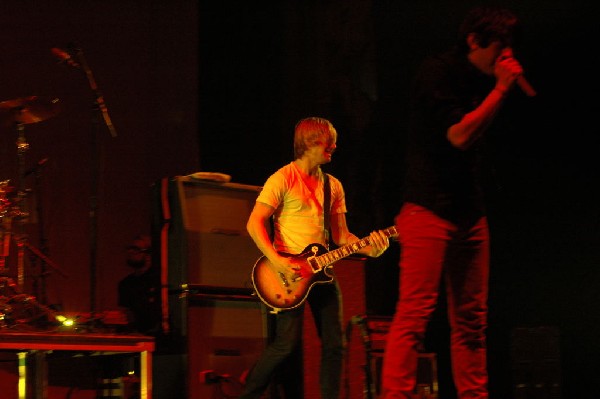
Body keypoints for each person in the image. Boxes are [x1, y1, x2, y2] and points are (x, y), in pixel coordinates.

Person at [381, 6, 530, 399]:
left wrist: (499, 87)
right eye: (499, 48)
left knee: (471, 324)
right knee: (414, 316)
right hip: (428, 207)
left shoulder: (485, 79)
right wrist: (500, 89)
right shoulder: (437, 73)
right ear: (473, 41)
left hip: (470, 211)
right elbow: (460, 136)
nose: (505, 57)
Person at [239, 116, 391, 399]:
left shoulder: (333, 186)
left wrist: (371, 248)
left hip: (321, 272)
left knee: (336, 345)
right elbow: (254, 223)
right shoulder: (282, 178)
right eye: (329, 140)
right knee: (285, 345)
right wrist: (276, 260)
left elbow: (342, 237)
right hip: (287, 274)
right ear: (310, 142)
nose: (335, 145)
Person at [117, 234, 162, 336]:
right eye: (130, 249)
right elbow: (127, 315)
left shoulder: (158, 282)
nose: (130, 252)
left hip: (156, 338)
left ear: (148, 255)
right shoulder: (126, 284)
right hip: (138, 337)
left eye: (136, 249)